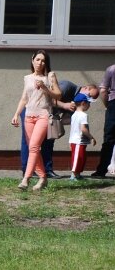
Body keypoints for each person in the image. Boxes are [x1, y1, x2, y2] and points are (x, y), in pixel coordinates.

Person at [20, 81, 100, 178]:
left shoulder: (78, 101)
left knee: (49, 141)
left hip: (48, 115)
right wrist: (64, 105)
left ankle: (47, 170)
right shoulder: (67, 87)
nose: (89, 100)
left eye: (92, 99)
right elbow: (47, 98)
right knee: (30, 141)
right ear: (86, 88)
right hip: (32, 110)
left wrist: (77, 117)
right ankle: (28, 170)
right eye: (90, 95)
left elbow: (65, 120)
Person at [11, 50, 61, 191]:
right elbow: (24, 98)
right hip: (28, 116)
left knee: (33, 146)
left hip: (43, 115)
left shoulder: (50, 76)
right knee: (34, 149)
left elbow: (58, 95)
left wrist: (45, 88)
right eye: (38, 59)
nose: (40, 63)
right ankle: (43, 178)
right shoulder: (27, 78)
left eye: (43, 60)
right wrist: (16, 114)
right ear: (32, 60)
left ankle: (26, 179)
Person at [91, 63, 115, 178]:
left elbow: (103, 90)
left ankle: (101, 171)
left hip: (113, 105)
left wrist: (107, 105)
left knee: (109, 139)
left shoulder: (111, 69)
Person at [68, 93, 97, 180]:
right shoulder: (83, 115)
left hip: (75, 141)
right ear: (83, 103)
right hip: (78, 141)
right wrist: (91, 137)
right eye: (89, 103)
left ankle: (77, 175)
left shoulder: (74, 115)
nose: (89, 106)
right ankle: (73, 175)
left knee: (81, 157)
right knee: (78, 158)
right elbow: (83, 129)